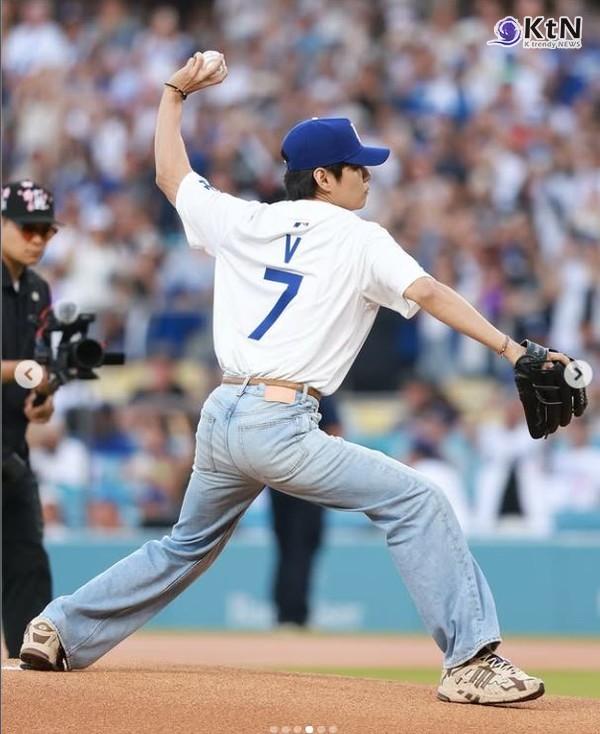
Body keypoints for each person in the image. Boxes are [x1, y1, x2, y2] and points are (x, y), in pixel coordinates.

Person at [20, 52, 570, 706]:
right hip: (280, 422)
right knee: (417, 501)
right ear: (324, 178)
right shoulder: (360, 237)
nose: (368, 176)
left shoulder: (245, 219)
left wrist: (173, 93)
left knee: (184, 545)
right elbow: (427, 291)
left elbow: (170, 175)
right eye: (357, 167)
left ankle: (59, 627)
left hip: (221, 415)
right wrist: (511, 349)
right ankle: (472, 661)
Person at [1, 180, 59, 658]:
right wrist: (24, 371)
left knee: (28, 562)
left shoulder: (38, 290)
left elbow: (41, 370)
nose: (37, 239)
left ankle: (31, 665)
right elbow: (27, 367)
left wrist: (43, 400)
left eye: (45, 230)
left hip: (11, 449)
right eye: (26, 229)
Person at [269, 394, 342, 629]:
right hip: (309, 479)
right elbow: (335, 433)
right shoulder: (318, 391)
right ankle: (293, 614)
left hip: (278, 477)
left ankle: (285, 611)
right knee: (302, 547)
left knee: (287, 548)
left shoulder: (276, 390)